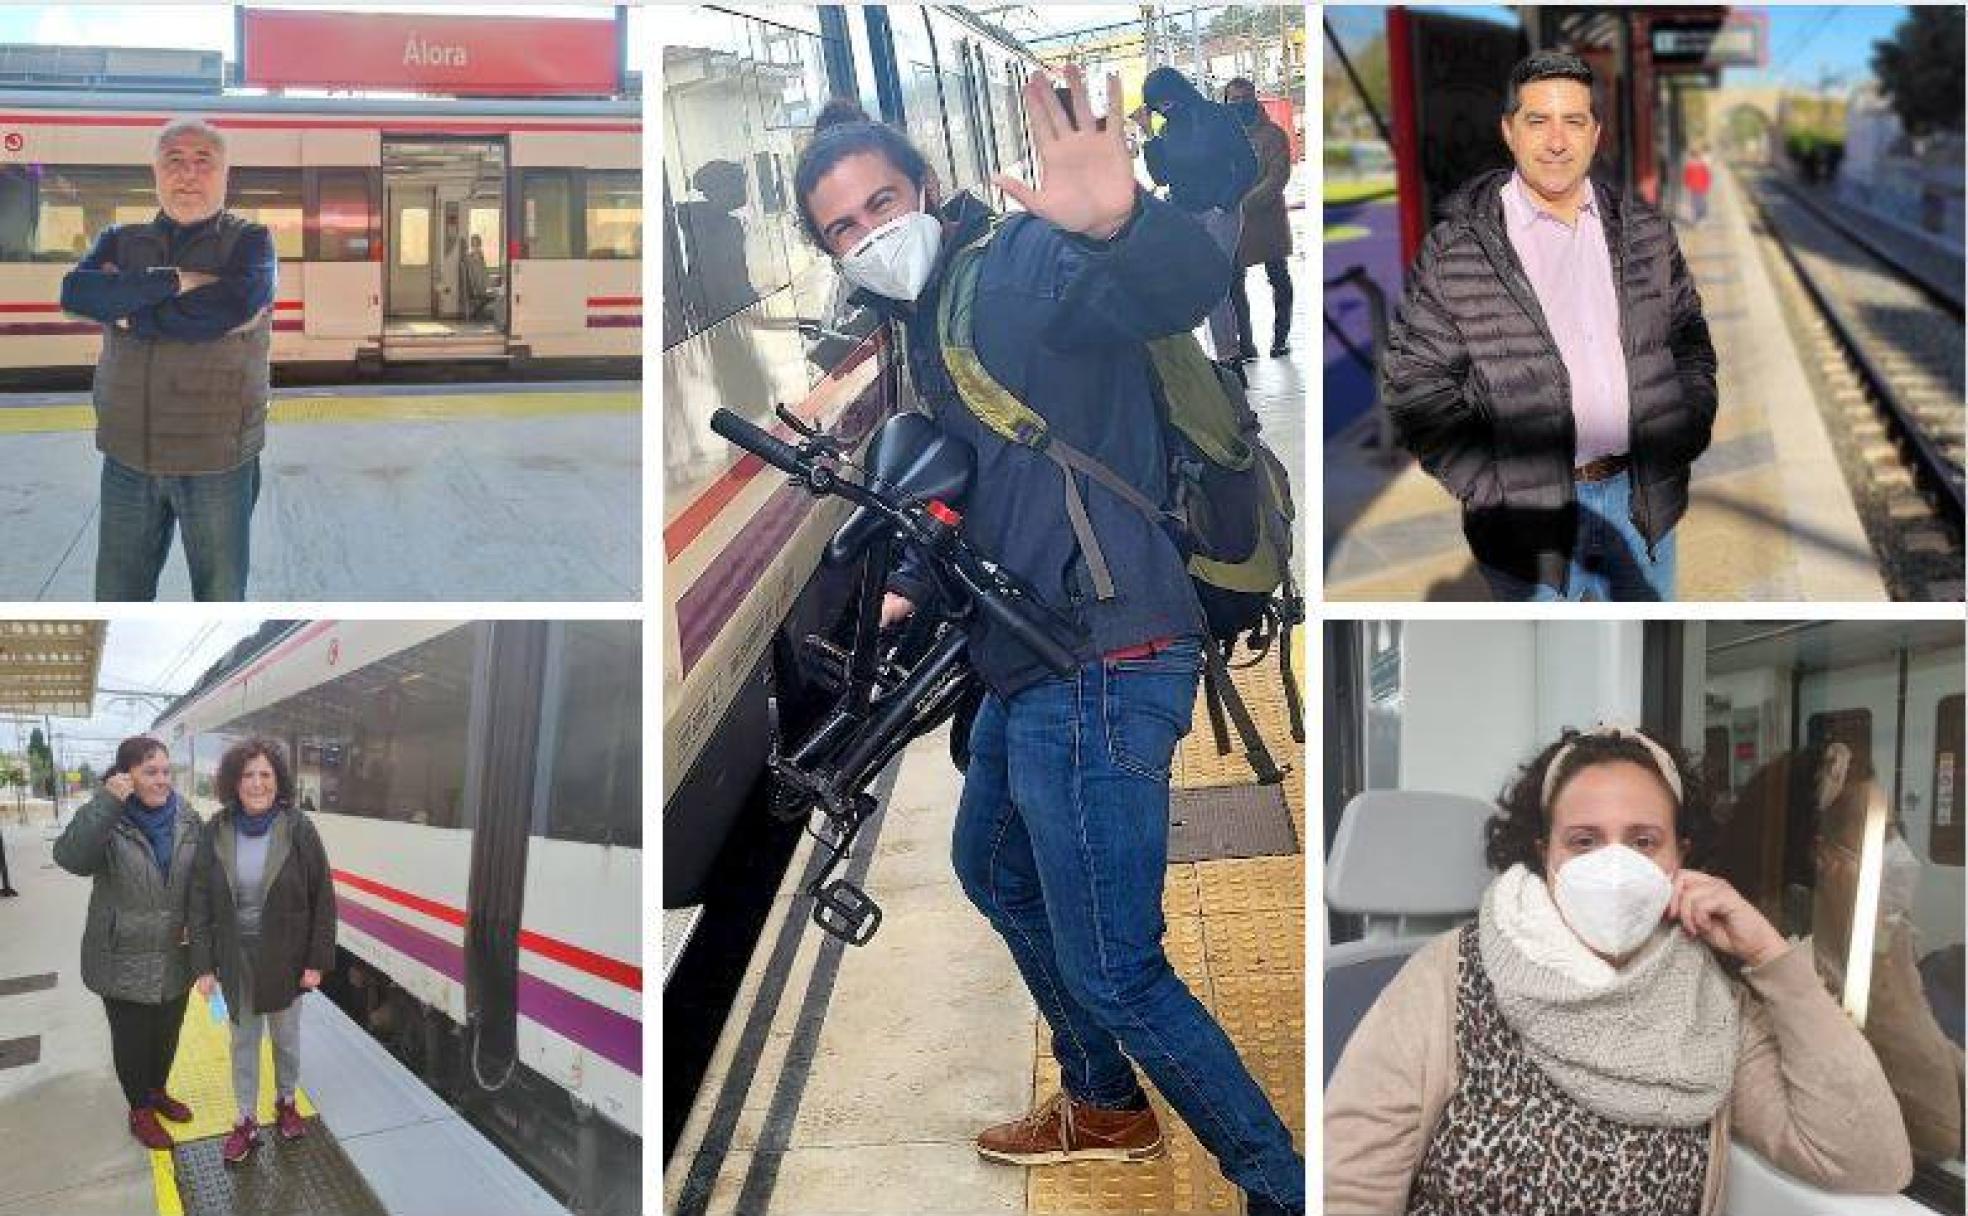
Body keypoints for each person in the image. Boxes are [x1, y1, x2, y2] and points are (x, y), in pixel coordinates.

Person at [792, 68, 1305, 1216]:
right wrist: (911, 587)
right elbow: (982, 480)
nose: (868, 235)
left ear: (924, 187)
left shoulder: (1018, 267)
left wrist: (1124, 221)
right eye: (841, 229)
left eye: (880, 205)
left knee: (1118, 966)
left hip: (1105, 647)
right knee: (991, 866)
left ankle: (1281, 1186)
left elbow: (1172, 288)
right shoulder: (924, 319)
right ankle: (1104, 1102)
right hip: (1028, 653)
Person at [1325, 725, 1914, 1215]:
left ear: (1680, 856)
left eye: (1643, 841)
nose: (1612, 864)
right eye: (1584, 841)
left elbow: (1866, 1156)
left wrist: (1770, 957)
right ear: (1544, 853)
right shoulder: (1448, 976)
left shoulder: (1708, 1001)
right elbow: (1348, 1184)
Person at [1382, 52, 1717, 602]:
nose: (1556, 141)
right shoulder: (1455, 250)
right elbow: (1417, 386)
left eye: (1574, 121)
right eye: (1538, 121)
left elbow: (1689, 342)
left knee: (1638, 656)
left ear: (1596, 133)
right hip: (1526, 532)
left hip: (1642, 510)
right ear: (1509, 132)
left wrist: (1682, 432)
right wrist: (1493, 490)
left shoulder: (1647, 233)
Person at [58, 117, 277, 602]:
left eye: (203, 162)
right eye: (174, 161)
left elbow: (228, 308)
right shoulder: (118, 238)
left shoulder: (252, 244)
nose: (188, 174)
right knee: (116, 598)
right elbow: (75, 292)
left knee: (219, 600)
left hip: (217, 460)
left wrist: (128, 310)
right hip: (127, 458)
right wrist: (175, 281)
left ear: (225, 174)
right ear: (155, 172)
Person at [51, 737, 203, 1151]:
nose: (161, 781)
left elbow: (203, 879)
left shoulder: (188, 820)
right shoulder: (108, 818)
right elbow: (71, 858)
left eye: (166, 772)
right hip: (122, 955)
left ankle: (157, 1093)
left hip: (175, 952)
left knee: (167, 1036)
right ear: (126, 775)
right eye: (150, 772)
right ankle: (139, 1110)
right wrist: (106, 803)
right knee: (133, 1040)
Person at [190, 738, 337, 1165]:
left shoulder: (298, 827)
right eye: (248, 775)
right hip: (235, 960)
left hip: (286, 959)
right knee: (243, 1042)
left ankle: (286, 1101)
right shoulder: (216, 829)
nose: (257, 783)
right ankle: (246, 1119)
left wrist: (315, 961)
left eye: (265, 775)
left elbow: (322, 897)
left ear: (278, 781)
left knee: (286, 1039)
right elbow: (199, 899)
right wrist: (203, 964)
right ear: (234, 783)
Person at [1134, 66, 1257, 366]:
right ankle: (1204, 359)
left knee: (1213, 280)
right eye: (1157, 105)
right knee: (1189, 283)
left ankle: (1229, 356)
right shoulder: (1167, 130)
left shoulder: (1220, 117)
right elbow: (1162, 176)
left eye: (1164, 101)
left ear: (1177, 93)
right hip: (1185, 213)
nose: (1163, 109)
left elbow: (1247, 165)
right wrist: (1149, 134)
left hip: (1221, 211)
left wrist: (1223, 206)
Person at [1222, 78, 1294, 361]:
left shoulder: (1274, 135)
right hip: (1233, 222)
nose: (1240, 104)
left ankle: (1280, 339)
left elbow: (1278, 177)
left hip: (1267, 219)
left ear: (1255, 98)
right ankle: (1245, 344)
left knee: (1278, 278)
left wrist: (1242, 203)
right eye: (1233, 99)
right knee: (1234, 283)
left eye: (1245, 97)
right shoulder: (1222, 139)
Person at [462, 233, 492, 320]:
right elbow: (478, 274)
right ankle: (477, 313)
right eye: (474, 243)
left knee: (491, 293)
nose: (476, 246)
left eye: (477, 243)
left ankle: (477, 313)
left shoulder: (474, 256)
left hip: (480, 283)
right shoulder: (472, 256)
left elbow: (483, 271)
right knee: (491, 296)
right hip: (477, 285)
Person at [1683, 145, 1713, 225]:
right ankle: (1701, 217)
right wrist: (1707, 185)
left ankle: (1697, 218)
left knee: (1695, 202)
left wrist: (1687, 185)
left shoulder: (1689, 165)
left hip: (1693, 187)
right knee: (1700, 201)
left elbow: (1686, 177)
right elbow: (1707, 176)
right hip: (1701, 187)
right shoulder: (1702, 165)